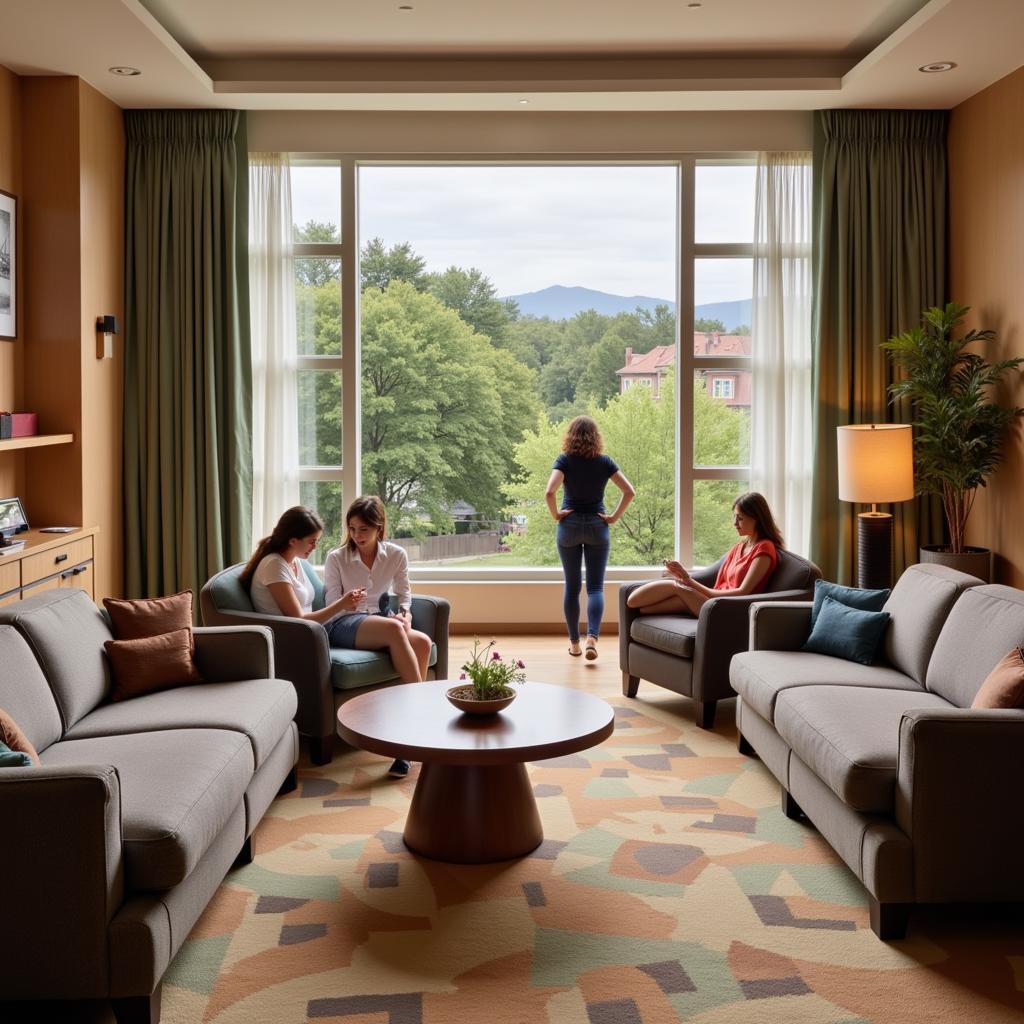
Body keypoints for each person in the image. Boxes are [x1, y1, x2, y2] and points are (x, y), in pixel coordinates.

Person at [323, 496, 434, 778]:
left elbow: (404, 594)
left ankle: (404, 748)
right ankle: (424, 716)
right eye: (352, 529)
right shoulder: (336, 558)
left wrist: (405, 614)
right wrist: (347, 602)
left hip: (382, 622)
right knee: (396, 629)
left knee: (420, 641)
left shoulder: (396, 554)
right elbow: (331, 606)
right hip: (343, 623)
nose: (356, 535)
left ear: (379, 528)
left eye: (363, 529)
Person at [546, 415, 635, 661]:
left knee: (572, 587)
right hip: (597, 525)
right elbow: (629, 491)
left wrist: (556, 514)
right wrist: (614, 516)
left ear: (570, 435)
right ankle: (592, 639)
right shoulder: (604, 462)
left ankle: (574, 644)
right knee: (595, 587)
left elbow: (549, 491)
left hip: (569, 526)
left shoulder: (564, 460)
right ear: (596, 437)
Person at [626, 491, 782, 616]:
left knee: (676, 587)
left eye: (740, 518)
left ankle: (685, 595)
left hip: (727, 607)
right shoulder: (739, 547)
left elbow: (743, 592)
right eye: (734, 517)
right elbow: (719, 585)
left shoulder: (764, 549)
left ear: (757, 519)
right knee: (643, 610)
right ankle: (686, 603)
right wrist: (683, 577)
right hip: (713, 600)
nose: (735, 523)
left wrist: (687, 580)